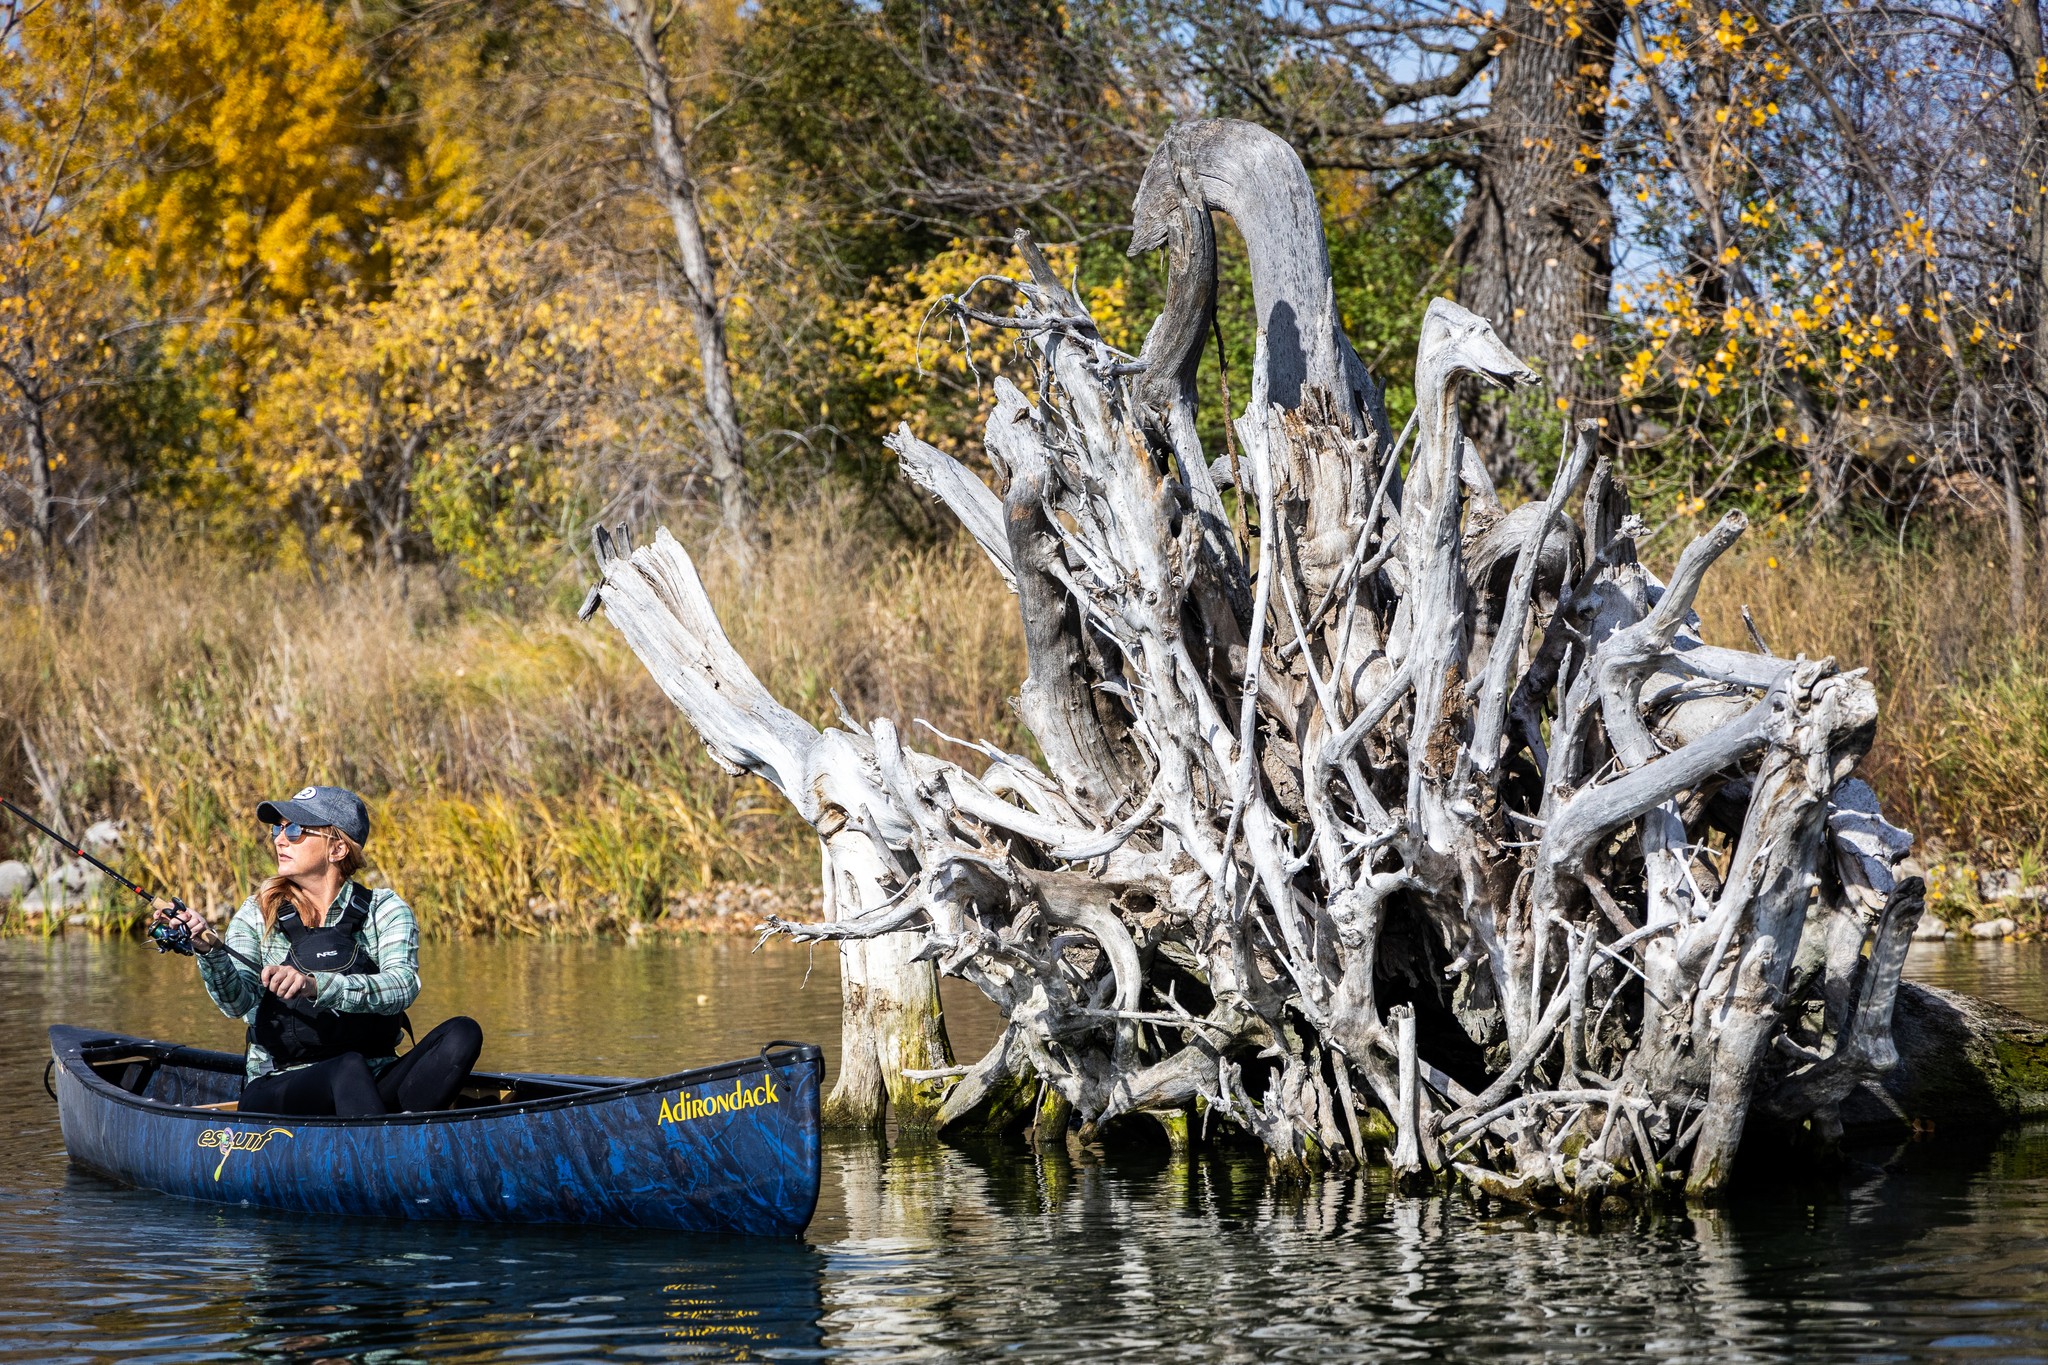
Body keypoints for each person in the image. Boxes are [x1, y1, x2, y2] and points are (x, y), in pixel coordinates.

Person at [151, 785, 483, 1118]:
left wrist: (316, 985)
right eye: (277, 829)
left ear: (337, 848)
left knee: (463, 1032)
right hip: (278, 1083)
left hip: (373, 1077)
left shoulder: (384, 908)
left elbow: (402, 986)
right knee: (346, 1068)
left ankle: (388, 1131)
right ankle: (387, 1148)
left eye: (294, 830)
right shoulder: (256, 912)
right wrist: (210, 951)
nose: (280, 839)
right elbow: (236, 1002)